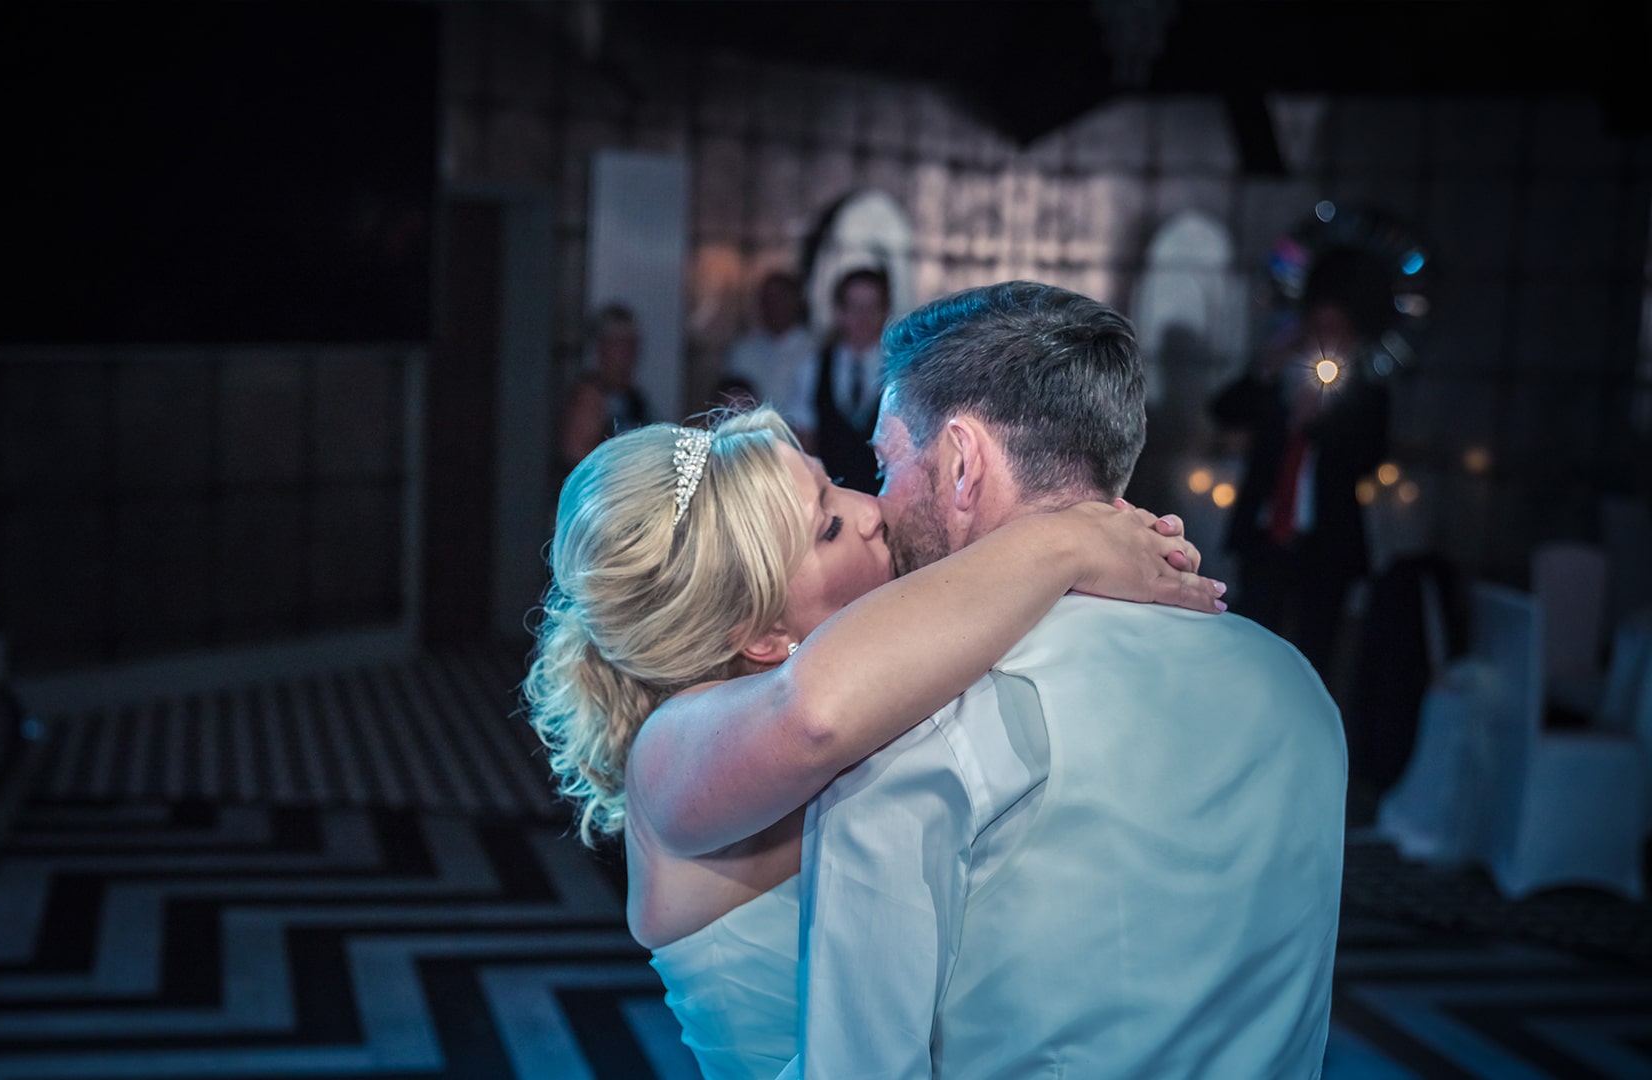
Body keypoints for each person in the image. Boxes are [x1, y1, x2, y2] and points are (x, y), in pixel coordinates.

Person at [525, 406, 1227, 1078]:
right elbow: (813, 715)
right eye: (828, 526)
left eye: (834, 480)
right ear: (763, 634)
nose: (870, 511)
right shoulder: (666, 754)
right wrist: (1068, 540)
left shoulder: (869, 680)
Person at [778, 282, 1347, 1078]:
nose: (878, 502)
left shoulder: (923, 718)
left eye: (887, 460)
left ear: (962, 463)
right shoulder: (1296, 685)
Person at [1209, 247, 1393, 679]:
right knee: (1253, 651)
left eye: (1336, 328)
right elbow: (1223, 410)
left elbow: (1369, 457)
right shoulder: (1280, 380)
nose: (1325, 337)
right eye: (1317, 326)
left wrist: (1318, 424)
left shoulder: (1365, 394)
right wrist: (1265, 373)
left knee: (1317, 657)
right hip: (1265, 538)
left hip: (1326, 546)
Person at [787, 268, 888, 494]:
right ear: (839, 312)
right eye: (854, 307)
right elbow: (805, 441)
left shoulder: (900, 370)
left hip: (885, 498)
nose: (863, 317)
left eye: (871, 307)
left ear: (884, 311)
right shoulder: (812, 368)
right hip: (832, 497)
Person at [558, 302, 650, 471]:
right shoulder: (590, 395)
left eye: (631, 342)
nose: (627, 351)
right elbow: (576, 453)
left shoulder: (634, 397)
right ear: (601, 346)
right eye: (618, 342)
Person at [723, 271, 812, 413]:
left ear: (796, 302)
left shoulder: (815, 351)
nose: (773, 306)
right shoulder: (743, 351)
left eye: (780, 298)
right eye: (767, 299)